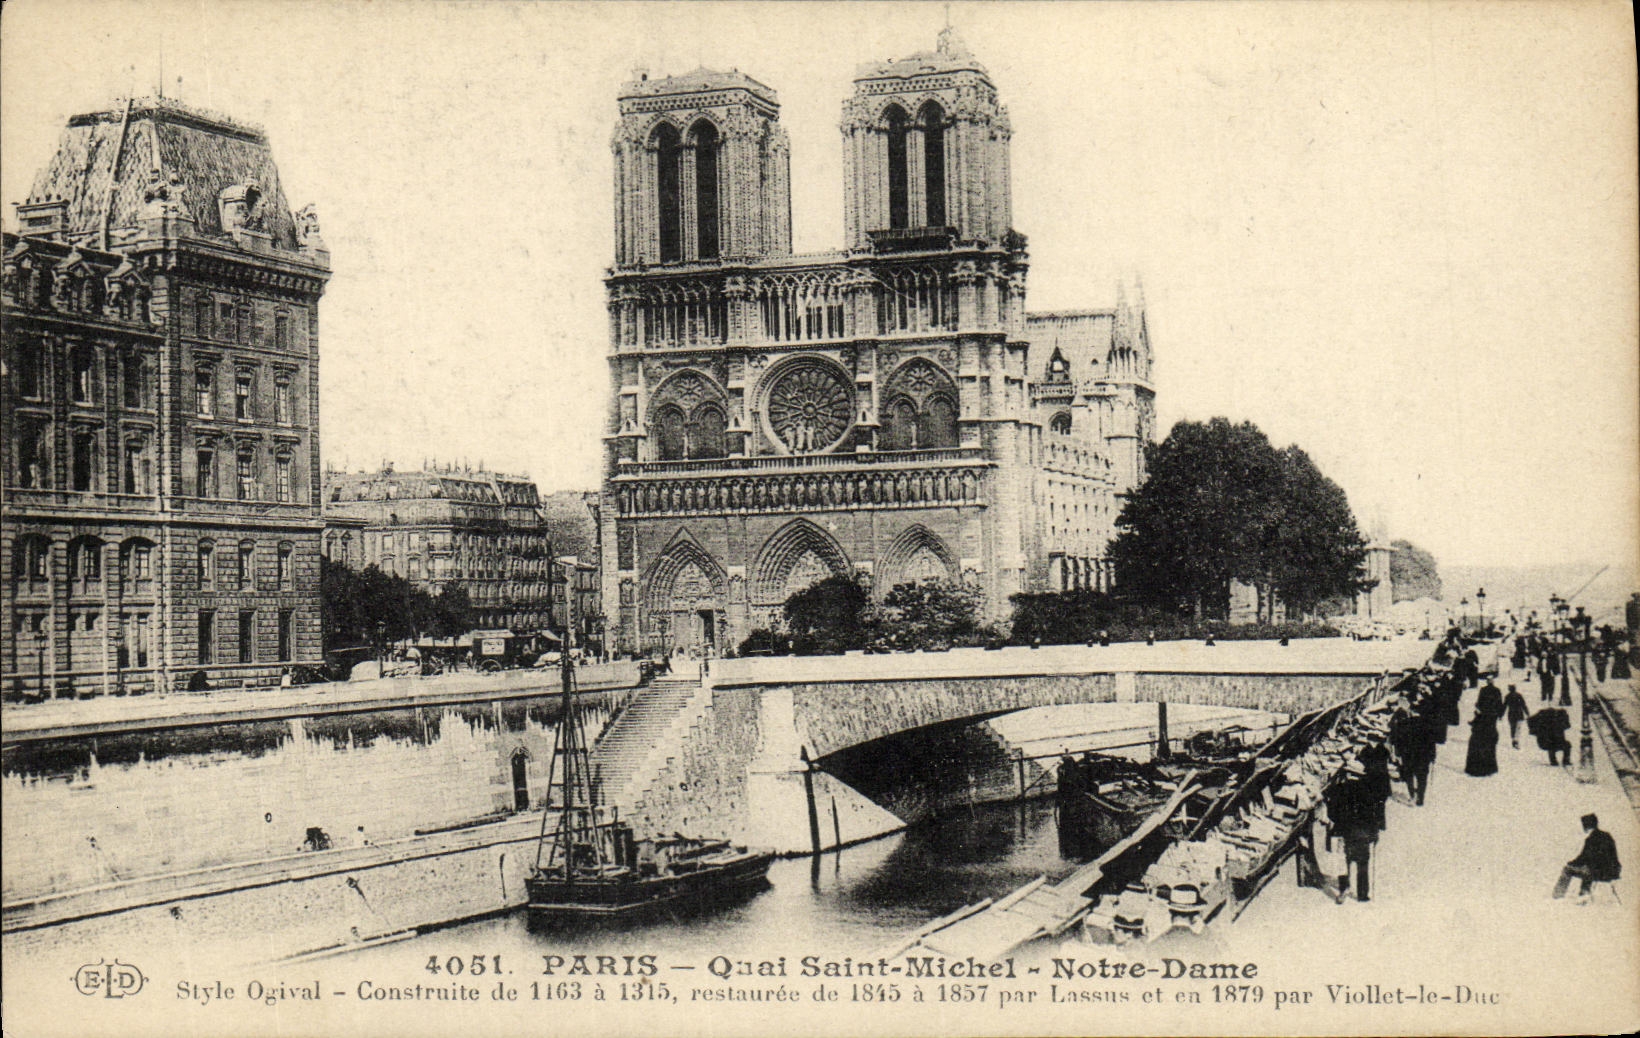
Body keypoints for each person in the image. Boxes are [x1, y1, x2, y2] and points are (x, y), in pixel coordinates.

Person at [1553, 813, 1621, 902]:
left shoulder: (1591, 839)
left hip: (1598, 872)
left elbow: (1584, 857)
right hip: (1613, 871)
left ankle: (1560, 896)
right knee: (1588, 868)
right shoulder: (1607, 836)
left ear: (1586, 826)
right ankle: (1583, 894)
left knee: (1568, 869)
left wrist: (1571, 863)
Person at [1464, 704, 1500, 777]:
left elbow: (1475, 725)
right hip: (1490, 736)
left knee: (1478, 751)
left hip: (1480, 737)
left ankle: (1477, 770)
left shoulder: (1481, 717)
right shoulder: (1491, 715)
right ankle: (1488, 769)